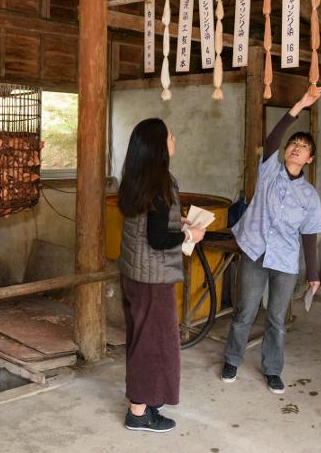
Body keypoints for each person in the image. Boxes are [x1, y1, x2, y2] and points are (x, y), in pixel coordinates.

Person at [221, 85, 321, 394]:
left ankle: (272, 369)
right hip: (255, 250)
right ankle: (232, 359)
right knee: (245, 311)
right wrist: (300, 104)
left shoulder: (310, 195)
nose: (296, 147)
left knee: (277, 319)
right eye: (294, 143)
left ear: (310, 158)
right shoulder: (268, 171)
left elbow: (309, 234)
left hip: (285, 260)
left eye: (303, 146)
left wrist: (315, 275)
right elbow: (272, 139)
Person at [117, 118, 205, 433]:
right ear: (158, 146)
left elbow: (148, 224)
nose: (174, 138)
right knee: (151, 344)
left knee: (142, 339)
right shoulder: (159, 184)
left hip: (133, 273)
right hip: (152, 279)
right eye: (169, 135)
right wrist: (190, 234)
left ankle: (146, 400)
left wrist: (178, 223)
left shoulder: (135, 178)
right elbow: (157, 240)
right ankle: (138, 412)